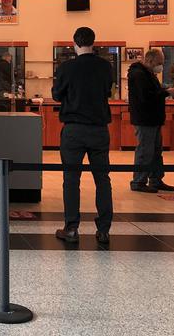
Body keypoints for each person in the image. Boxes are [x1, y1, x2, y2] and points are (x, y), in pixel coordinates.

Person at [51, 27, 113, 245]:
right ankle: (104, 229)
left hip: (74, 129)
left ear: (75, 43)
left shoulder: (66, 67)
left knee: (71, 180)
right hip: (98, 128)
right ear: (93, 42)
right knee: (102, 179)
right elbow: (108, 92)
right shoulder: (106, 67)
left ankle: (71, 228)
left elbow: (57, 95)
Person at [128, 49, 174, 193]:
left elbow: (152, 91)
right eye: (159, 63)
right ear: (149, 61)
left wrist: (164, 90)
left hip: (153, 119)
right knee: (145, 151)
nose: (161, 66)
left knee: (156, 151)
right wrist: (166, 92)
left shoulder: (149, 74)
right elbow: (146, 96)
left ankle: (155, 179)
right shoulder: (138, 74)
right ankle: (138, 181)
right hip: (145, 119)